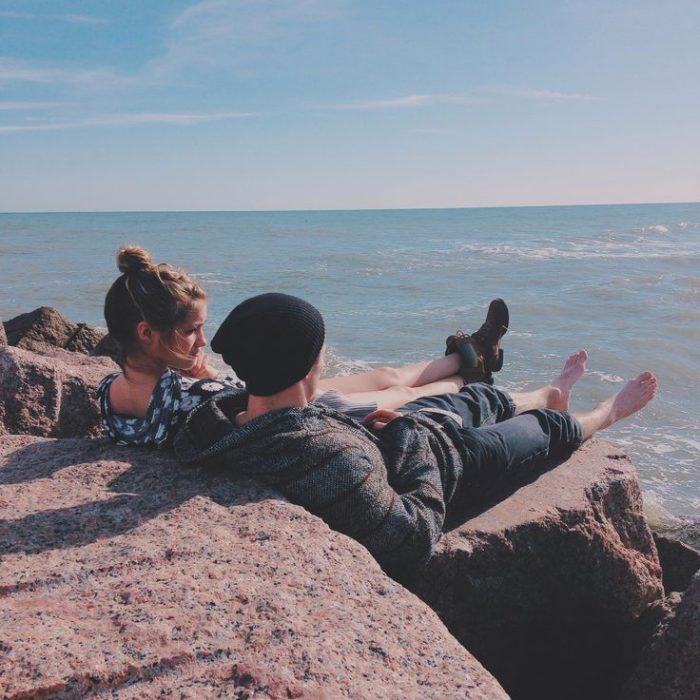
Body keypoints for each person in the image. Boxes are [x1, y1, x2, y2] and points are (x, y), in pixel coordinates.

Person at [173, 293, 657, 581]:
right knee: (544, 432)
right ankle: (605, 413)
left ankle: (549, 391)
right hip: (450, 465)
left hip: (397, 436)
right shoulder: (327, 459)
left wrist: (382, 428)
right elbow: (413, 536)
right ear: (307, 367)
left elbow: (304, 439)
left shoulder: (218, 421)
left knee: (474, 399)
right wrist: (407, 437)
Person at [97, 245, 509, 446]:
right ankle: (471, 379)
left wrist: (201, 376)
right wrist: (203, 380)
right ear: (146, 333)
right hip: (292, 410)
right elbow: (239, 423)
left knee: (385, 376)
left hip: (271, 389)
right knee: (401, 392)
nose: (203, 341)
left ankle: (468, 355)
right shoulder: (181, 399)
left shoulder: (111, 394)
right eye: (191, 331)